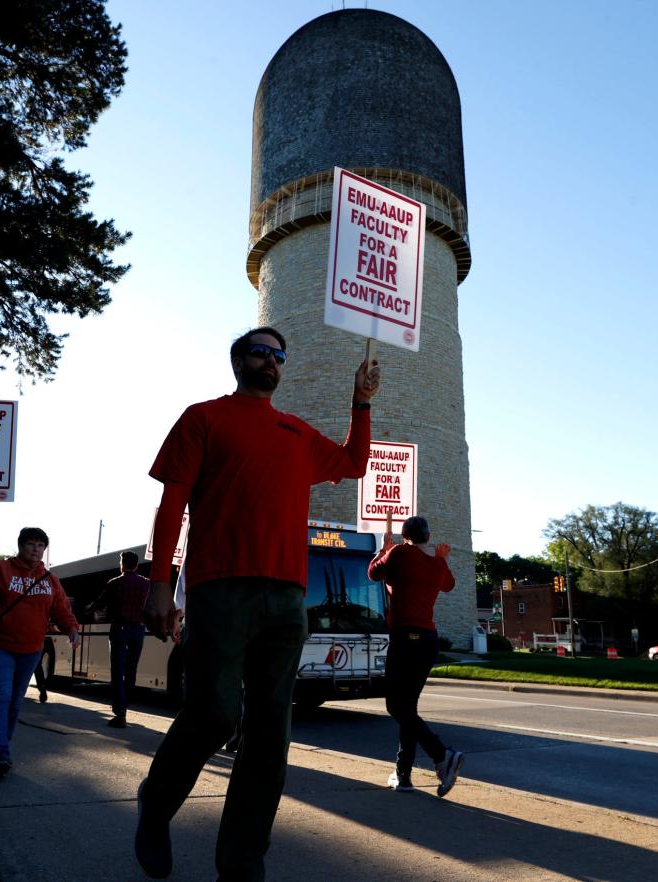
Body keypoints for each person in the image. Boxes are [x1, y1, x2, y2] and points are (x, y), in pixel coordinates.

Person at [135, 326, 380, 881]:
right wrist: (158, 584)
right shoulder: (203, 417)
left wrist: (360, 403)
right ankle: (157, 802)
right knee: (213, 715)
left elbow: (355, 463)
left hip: (287, 597)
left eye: (279, 356)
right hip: (220, 587)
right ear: (238, 361)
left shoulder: (295, 431)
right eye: (261, 352)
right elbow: (172, 503)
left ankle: (242, 861)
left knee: (271, 734)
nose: (272, 361)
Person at [0, 523, 80, 781]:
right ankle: (1, 752)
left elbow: (61, 609)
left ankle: (0, 746)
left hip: (31, 651)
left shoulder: (50, 580)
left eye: (40, 546)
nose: (36, 550)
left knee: (15, 702)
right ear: (21, 545)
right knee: (2, 695)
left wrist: (71, 628)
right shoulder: (1, 568)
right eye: (31, 544)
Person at [367, 515, 463, 796]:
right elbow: (448, 585)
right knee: (408, 707)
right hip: (427, 641)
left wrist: (383, 550)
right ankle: (403, 774)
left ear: (404, 535)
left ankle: (442, 755)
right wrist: (441, 558)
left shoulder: (399, 553)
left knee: (397, 707)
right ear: (428, 537)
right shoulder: (435, 563)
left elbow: (373, 573)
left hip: (405, 638)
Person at [89, 550, 151, 728]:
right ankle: (126, 707)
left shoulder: (114, 583)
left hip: (119, 629)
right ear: (137, 565)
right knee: (131, 670)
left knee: (117, 670)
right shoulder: (147, 584)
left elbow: (99, 604)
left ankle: (120, 712)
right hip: (139, 630)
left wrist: (87, 610)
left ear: (121, 564)